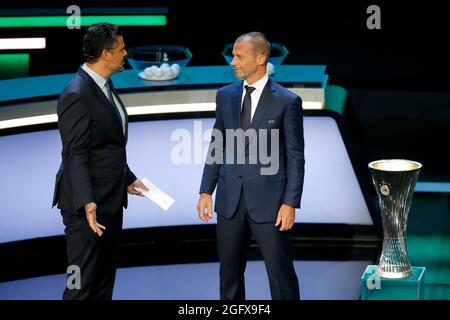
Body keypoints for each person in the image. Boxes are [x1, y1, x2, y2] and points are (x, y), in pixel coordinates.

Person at [197, 32, 305, 300]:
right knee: (229, 275)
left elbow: (296, 157)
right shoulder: (225, 95)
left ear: (260, 58)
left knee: (280, 276)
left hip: (270, 203)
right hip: (230, 200)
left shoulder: (286, 101)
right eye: (233, 55)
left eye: (239, 56)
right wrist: (205, 191)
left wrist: (290, 203)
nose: (233, 61)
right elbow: (217, 145)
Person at [52, 22, 148, 300]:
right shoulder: (76, 94)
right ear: (105, 54)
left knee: (104, 283)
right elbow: (76, 153)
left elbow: (107, 144)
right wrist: (86, 202)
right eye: (121, 48)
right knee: (80, 286)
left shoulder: (104, 86)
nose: (126, 53)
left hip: (110, 199)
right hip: (87, 207)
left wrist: (127, 177)